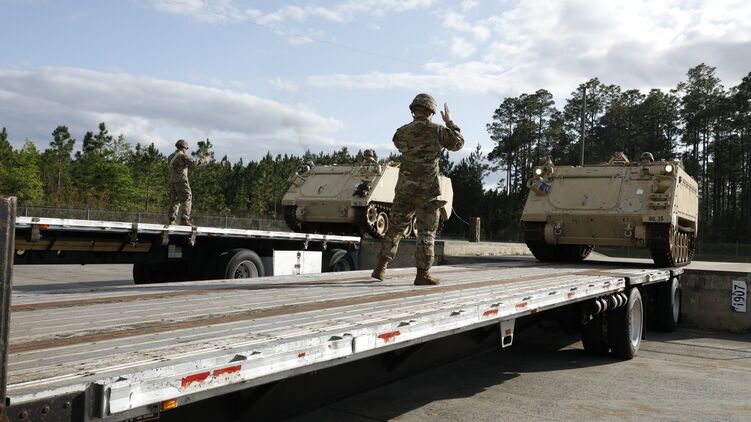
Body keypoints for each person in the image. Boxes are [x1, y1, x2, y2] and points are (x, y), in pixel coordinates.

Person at [371, 93, 464, 285]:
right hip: (427, 191)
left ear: (413, 111)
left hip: (404, 189)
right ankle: (422, 274)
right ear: (431, 111)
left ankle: (381, 268)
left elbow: (397, 142)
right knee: (426, 232)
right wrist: (450, 122)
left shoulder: (402, 132)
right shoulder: (438, 131)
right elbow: (458, 143)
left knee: (395, 228)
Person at [167, 139, 206, 226]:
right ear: (184, 147)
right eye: (186, 149)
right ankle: (184, 219)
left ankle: (172, 220)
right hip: (181, 180)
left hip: (173, 180)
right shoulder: (182, 156)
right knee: (187, 197)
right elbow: (195, 164)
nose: (186, 150)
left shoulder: (170, 156)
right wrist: (204, 159)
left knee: (175, 200)